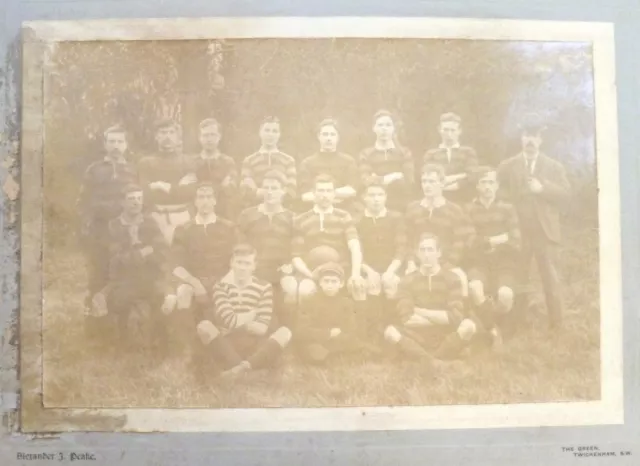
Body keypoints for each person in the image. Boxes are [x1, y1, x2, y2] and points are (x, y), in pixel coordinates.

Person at [497, 118, 570, 329]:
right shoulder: (508, 165)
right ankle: (518, 323)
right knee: (519, 277)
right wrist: (512, 196)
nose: (530, 140)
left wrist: (543, 188)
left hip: (544, 232)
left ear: (541, 140)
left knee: (550, 279)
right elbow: (495, 187)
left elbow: (566, 194)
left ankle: (557, 325)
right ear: (521, 138)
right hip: (517, 231)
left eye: (535, 136)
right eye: (527, 135)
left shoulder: (554, 166)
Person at [194, 244, 293, 381]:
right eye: (239, 262)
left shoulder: (264, 287)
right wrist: (252, 315)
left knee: (285, 332)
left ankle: (238, 370)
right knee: (204, 327)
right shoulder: (220, 286)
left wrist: (235, 325)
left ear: (254, 266)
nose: (242, 267)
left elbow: (262, 328)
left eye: (247, 263)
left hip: (255, 343)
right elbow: (229, 320)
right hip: (228, 344)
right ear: (231, 263)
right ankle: (248, 370)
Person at [77, 124, 138, 340]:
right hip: (100, 231)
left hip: (123, 230)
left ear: (126, 145)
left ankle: (121, 327)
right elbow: (84, 201)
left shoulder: (132, 170)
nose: (115, 146)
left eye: (120, 141)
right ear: (105, 144)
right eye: (111, 141)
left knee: (122, 275)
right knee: (98, 276)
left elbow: (138, 200)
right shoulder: (94, 169)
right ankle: (94, 327)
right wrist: (87, 227)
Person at [383, 233, 478, 366]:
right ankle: (437, 362)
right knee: (390, 332)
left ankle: (424, 360)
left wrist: (419, 311)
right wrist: (441, 317)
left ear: (438, 253)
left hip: (444, 336)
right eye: (423, 250)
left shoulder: (452, 278)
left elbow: (455, 318)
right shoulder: (408, 280)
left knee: (469, 326)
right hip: (417, 336)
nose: (427, 255)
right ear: (417, 253)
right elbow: (407, 319)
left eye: (430, 250)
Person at [102, 184, 174, 357]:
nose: (136, 203)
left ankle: (157, 346)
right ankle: (124, 345)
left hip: (150, 276)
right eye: (131, 199)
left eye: (139, 199)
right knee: (119, 303)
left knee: (161, 302)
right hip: (123, 279)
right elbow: (116, 257)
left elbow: (161, 250)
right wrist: (144, 251)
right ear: (122, 202)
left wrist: (137, 254)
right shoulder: (114, 226)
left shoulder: (149, 222)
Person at [167, 183, 237, 350]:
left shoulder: (228, 227)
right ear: (195, 202)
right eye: (200, 197)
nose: (205, 201)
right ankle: (187, 346)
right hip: (195, 280)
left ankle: (226, 342)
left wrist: (223, 282)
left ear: (215, 201)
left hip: (223, 278)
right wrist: (195, 283)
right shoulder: (183, 229)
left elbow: (237, 259)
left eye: (209, 197)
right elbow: (175, 265)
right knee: (183, 292)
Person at [284, 175, 366, 319]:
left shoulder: (343, 216)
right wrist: (311, 275)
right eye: (320, 191)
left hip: (338, 270)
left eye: (328, 191)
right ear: (313, 194)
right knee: (303, 291)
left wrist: (355, 273)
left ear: (334, 194)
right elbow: (296, 256)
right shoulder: (301, 219)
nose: (324, 195)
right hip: (310, 271)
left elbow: (354, 246)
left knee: (357, 287)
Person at [465, 167, 521, 349]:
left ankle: (490, 322)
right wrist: (498, 238)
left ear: (497, 186)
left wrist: (486, 241)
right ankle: (493, 331)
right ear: (477, 186)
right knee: (474, 288)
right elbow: (470, 241)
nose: (487, 187)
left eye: (491, 182)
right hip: (478, 261)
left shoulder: (507, 208)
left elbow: (515, 240)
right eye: (483, 182)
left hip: (505, 261)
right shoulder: (469, 209)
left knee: (505, 296)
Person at [405, 164, 475, 298]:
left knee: (461, 281)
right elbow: (407, 238)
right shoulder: (413, 208)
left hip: (445, 264)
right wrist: (410, 261)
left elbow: (459, 242)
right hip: (418, 263)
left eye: (432, 181)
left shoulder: (454, 210)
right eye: (424, 181)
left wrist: (448, 265)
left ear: (442, 183)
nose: (427, 185)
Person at [237, 170, 296, 326]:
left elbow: (296, 246)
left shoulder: (291, 217)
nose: (269, 192)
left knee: (287, 301)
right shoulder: (248, 215)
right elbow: (239, 245)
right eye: (266, 188)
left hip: (281, 273)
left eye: (274, 188)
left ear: (283, 191)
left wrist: (288, 267)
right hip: (254, 271)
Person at [354, 182, 407, 341]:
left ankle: (392, 331)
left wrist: (390, 271)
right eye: (371, 195)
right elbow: (357, 250)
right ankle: (374, 335)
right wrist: (369, 271)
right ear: (364, 198)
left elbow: (401, 247)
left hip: (393, 266)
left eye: (380, 195)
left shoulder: (396, 217)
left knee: (391, 284)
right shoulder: (358, 220)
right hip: (367, 267)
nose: (376, 199)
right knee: (372, 286)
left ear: (385, 197)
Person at [138, 118, 195, 245]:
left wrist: (162, 186)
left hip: (183, 215)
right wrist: (178, 187)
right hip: (156, 217)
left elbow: (190, 192)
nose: (167, 137)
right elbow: (145, 193)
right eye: (163, 133)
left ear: (177, 137)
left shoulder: (188, 162)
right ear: (156, 137)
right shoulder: (146, 162)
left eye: (171, 133)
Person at [294, 262, 361, 365]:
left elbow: (351, 328)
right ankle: (331, 356)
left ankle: (335, 355)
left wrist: (340, 335)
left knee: (355, 345)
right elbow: (302, 330)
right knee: (312, 351)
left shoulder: (346, 303)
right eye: (326, 281)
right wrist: (328, 333)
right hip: (318, 340)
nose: (330, 285)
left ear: (341, 284)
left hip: (339, 340)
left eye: (334, 282)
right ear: (320, 283)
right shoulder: (310, 301)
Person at [299, 118, 360, 213]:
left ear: (338, 137)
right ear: (318, 136)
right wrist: (337, 195)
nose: (328, 138)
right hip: (315, 213)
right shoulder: (307, 163)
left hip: (344, 210)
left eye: (332, 134)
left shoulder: (348, 161)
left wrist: (322, 195)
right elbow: (305, 195)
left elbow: (352, 190)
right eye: (325, 134)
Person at [358, 110, 415, 211]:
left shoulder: (404, 153)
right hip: (374, 204)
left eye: (388, 125)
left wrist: (377, 179)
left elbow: (409, 180)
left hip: (401, 202)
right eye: (380, 125)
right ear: (373, 128)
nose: (384, 128)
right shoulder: (366, 154)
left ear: (393, 128)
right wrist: (391, 177)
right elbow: (365, 180)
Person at [240, 116, 297, 209]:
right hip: (256, 209)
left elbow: (291, 190)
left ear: (279, 134)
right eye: (267, 130)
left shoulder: (288, 160)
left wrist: (276, 195)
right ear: (260, 133)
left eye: (274, 131)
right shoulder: (249, 160)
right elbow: (245, 189)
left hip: (281, 210)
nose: (270, 134)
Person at [423, 112, 478, 204]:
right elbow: (427, 176)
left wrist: (447, 185)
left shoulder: (468, 152)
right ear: (439, 130)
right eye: (445, 130)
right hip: (438, 200)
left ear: (459, 131)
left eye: (453, 130)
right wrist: (462, 175)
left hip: (463, 198)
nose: (449, 134)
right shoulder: (431, 154)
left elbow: (472, 176)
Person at [189, 118, 239, 220]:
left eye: (213, 135)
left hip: (223, 212)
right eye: (205, 135)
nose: (209, 139)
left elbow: (231, 188)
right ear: (199, 138)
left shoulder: (228, 162)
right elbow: (189, 189)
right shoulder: (192, 162)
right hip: (197, 213)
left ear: (219, 137)